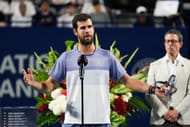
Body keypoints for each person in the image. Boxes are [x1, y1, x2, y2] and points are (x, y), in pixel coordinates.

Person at [23, 13, 166, 127]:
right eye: (82, 28)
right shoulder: (66, 58)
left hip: (101, 121)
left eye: (89, 27)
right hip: (73, 122)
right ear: (75, 32)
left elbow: (128, 81)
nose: (87, 31)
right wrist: (33, 83)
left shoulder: (106, 56)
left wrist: (152, 89)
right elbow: (48, 86)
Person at [146, 29, 190, 127]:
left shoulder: (189, 65)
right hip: (159, 119)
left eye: (173, 41)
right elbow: (149, 93)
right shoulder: (154, 65)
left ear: (181, 44)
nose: (170, 44)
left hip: (183, 120)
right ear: (165, 44)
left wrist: (177, 111)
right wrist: (163, 112)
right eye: (167, 41)